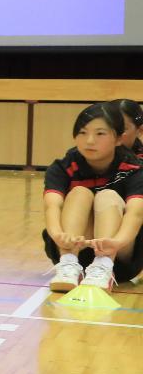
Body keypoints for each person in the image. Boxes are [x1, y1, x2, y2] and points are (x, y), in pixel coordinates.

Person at [43, 103, 143, 292]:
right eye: (83, 132)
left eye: (100, 134)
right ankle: (69, 265)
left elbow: (136, 214)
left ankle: (103, 267)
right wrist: (58, 235)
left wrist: (117, 243)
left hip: (119, 256)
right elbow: (52, 207)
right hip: (71, 250)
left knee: (107, 196)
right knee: (79, 193)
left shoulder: (134, 169)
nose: (89, 141)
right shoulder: (62, 167)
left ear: (118, 138)